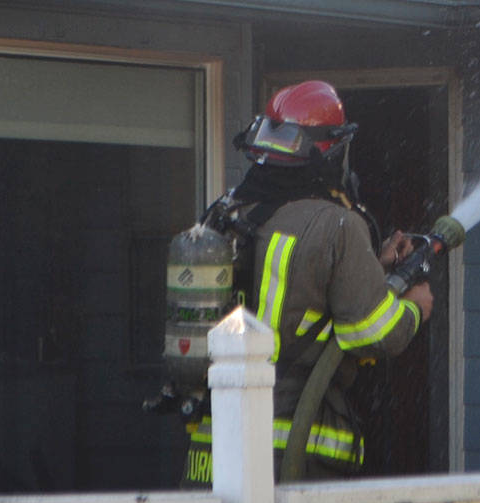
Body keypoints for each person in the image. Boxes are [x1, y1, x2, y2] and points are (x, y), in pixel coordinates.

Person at [183, 80, 462, 482]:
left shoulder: (227, 213)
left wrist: (371, 265)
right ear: (330, 149)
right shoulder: (337, 223)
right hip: (293, 451)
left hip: (212, 446)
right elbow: (371, 334)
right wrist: (415, 308)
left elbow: (283, 283)